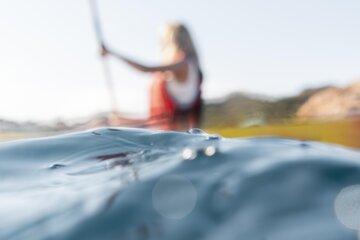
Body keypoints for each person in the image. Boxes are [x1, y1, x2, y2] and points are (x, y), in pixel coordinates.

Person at [101, 22, 203, 130]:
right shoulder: (191, 67)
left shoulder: (183, 64)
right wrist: (125, 120)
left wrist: (112, 53)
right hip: (167, 132)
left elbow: (145, 69)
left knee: (100, 125)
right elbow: (159, 119)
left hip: (172, 136)